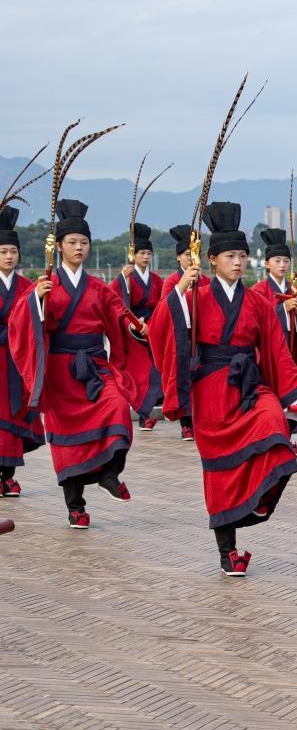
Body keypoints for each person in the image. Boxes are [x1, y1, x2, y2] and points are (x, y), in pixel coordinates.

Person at [148, 201, 297, 576]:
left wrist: (295, 392)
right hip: (210, 388)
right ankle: (228, 552)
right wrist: (179, 290)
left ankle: (260, 497)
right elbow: (163, 328)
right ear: (211, 260)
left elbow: (276, 349)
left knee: (275, 423)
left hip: (248, 384)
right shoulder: (195, 295)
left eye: (243, 256)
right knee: (221, 472)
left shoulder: (257, 302)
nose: (239, 262)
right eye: (230, 256)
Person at [9, 199, 138, 529]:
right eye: (72, 242)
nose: (79, 247)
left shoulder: (98, 287)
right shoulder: (46, 285)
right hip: (60, 370)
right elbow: (22, 321)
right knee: (69, 440)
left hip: (95, 366)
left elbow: (122, 316)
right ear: (59, 247)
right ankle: (75, 506)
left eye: (84, 243)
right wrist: (36, 299)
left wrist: (138, 327)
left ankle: (111, 474)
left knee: (118, 406)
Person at [250, 228, 297, 435]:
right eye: (277, 260)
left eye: (286, 261)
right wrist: (280, 310)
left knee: (294, 395)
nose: (282, 265)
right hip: (270, 355)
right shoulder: (259, 290)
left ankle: (287, 436)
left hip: (293, 353)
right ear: (267, 263)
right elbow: (255, 322)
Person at [0, 206, 44, 497]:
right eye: (3, 251)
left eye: (13, 251)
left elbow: (36, 322)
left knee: (15, 414)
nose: (8, 257)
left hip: (16, 360)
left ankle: (7, 475)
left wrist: (40, 299)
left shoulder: (29, 286)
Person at [112, 222, 164, 430]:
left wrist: (153, 324)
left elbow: (162, 305)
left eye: (148, 253)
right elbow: (115, 301)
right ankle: (144, 414)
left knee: (155, 369)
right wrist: (122, 279)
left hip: (152, 328)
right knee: (139, 372)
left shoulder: (157, 280)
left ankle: (148, 412)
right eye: (141, 252)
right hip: (133, 329)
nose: (145, 257)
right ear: (133, 254)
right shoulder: (126, 277)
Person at [161, 223, 209, 442]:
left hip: (201, 335)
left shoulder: (206, 280)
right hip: (181, 337)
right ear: (178, 258)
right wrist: (183, 290)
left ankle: (200, 419)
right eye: (187, 254)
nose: (191, 258)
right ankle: (186, 423)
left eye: (194, 254)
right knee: (184, 377)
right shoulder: (172, 281)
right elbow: (165, 308)